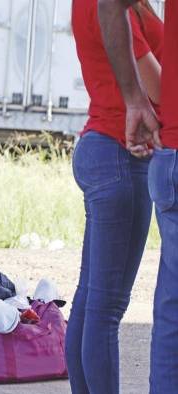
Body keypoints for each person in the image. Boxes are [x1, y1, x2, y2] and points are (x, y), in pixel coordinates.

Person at [65, 1, 163, 393]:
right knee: (105, 308)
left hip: (102, 146)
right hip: (121, 153)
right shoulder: (110, 8)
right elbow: (156, 85)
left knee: (91, 299)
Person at [98, 0, 177, 392]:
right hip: (122, 150)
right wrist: (136, 99)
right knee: (106, 303)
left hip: (164, 151)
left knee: (169, 308)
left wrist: (135, 101)